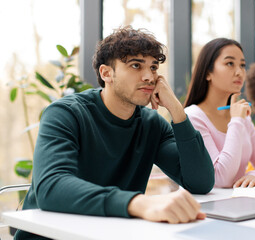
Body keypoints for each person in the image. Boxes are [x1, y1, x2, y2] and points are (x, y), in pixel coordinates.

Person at [15, 26, 215, 239]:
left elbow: (200, 183)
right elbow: (52, 188)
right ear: (106, 73)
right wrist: (137, 203)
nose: (149, 77)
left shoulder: (152, 124)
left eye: (154, 67)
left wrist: (176, 110)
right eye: (136, 65)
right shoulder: (65, 113)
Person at [184, 38, 255, 188]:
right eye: (230, 63)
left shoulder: (240, 116)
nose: (239, 72)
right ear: (208, 73)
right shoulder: (192, 117)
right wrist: (236, 121)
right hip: (210, 208)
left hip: (240, 204)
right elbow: (220, 178)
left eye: (242, 65)